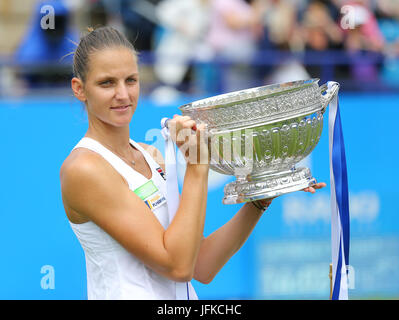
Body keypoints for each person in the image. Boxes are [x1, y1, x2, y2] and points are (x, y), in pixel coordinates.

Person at [60, 26, 326, 300]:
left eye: (130, 80)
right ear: (80, 89)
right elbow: (178, 266)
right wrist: (198, 166)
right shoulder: (85, 169)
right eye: (107, 83)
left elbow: (201, 265)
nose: (123, 94)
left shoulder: (151, 155)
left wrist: (260, 199)